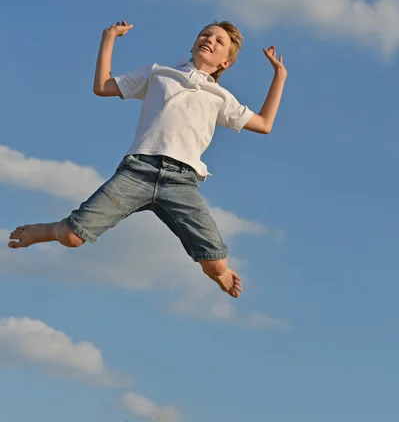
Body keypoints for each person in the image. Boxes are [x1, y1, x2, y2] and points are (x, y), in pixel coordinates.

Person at [9, 20, 287, 298]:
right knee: (71, 237)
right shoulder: (158, 74)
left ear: (225, 62)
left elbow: (264, 123)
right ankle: (46, 229)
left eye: (219, 41)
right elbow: (103, 86)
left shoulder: (221, 97)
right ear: (192, 44)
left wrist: (279, 76)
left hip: (181, 183)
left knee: (216, 264)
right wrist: (109, 38)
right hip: (137, 172)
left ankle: (219, 275)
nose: (209, 40)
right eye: (205, 34)